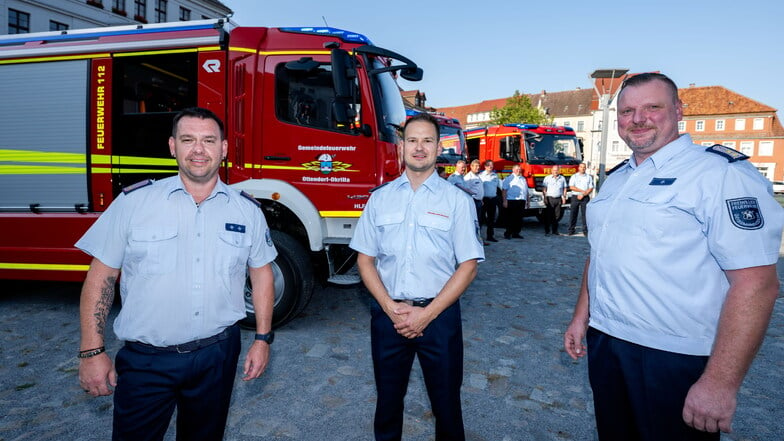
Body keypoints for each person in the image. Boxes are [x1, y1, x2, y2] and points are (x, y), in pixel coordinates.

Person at [563, 73, 783, 441]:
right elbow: (600, 253)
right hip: (607, 341)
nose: (638, 118)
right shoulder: (618, 179)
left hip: (674, 355)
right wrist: (581, 317)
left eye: (653, 107)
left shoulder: (718, 174)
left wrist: (719, 383)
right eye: (627, 110)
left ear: (679, 111)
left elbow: (757, 285)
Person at [76, 107, 278, 441]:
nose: (199, 149)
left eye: (209, 140)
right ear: (173, 146)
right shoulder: (134, 204)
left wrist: (262, 338)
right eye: (188, 140)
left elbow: (262, 275)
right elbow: (101, 277)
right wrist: (91, 352)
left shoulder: (248, 211)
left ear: (224, 149)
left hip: (217, 356)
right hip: (146, 362)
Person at [350, 112, 485, 441]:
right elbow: (365, 260)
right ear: (401, 147)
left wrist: (427, 314)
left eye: (427, 141)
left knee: (447, 406)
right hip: (389, 318)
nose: (419, 147)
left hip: (439, 319)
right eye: (412, 140)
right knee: (387, 404)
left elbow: (468, 265)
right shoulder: (379, 199)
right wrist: (389, 307)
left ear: (439, 148)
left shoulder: (457, 201)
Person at [501, 164, 529, 239]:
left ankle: (516, 233)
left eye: (519, 169)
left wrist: (527, 201)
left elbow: (526, 190)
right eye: (517, 169)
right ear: (513, 170)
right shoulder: (509, 178)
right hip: (511, 200)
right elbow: (504, 190)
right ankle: (508, 233)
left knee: (519, 218)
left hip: (521, 200)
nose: (518, 171)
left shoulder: (523, 179)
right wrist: (504, 201)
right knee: (510, 218)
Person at [567, 162, 594, 236]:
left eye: (584, 167)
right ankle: (571, 230)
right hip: (575, 196)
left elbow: (591, 188)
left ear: (586, 168)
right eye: (581, 167)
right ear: (578, 168)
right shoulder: (574, 176)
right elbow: (571, 187)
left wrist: (583, 194)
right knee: (573, 214)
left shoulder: (588, 177)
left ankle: (586, 231)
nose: (583, 168)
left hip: (585, 197)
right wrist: (581, 191)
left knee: (585, 215)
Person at [463, 159, 485, 244]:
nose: (478, 167)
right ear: (471, 166)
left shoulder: (478, 176)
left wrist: (481, 199)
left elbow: (479, 189)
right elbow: (466, 191)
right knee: (473, 222)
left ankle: (477, 239)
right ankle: (472, 241)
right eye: (475, 166)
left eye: (478, 166)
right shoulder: (468, 177)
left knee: (479, 221)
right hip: (473, 202)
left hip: (479, 201)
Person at [479, 159, 502, 242]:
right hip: (484, 199)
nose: (491, 167)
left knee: (491, 219)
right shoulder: (481, 176)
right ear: (485, 166)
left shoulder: (495, 176)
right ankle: (479, 236)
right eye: (489, 165)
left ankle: (490, 236)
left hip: (493, 199)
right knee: (481, 219)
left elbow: (499, 187)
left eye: (492, 165)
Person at [541, 165, 567, 235]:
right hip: (550, 198)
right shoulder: (547, 178)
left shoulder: (562, 178)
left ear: (559, 171)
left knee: (557, 216)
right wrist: (545, 197)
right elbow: (544, 188)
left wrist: (564, 197)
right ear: (551, 171)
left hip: (558, 198)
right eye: (554, 170)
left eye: (557, 170)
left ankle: (555, 231)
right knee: (548, 215)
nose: (555, 172)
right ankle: (547, 231)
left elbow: (564, 188)